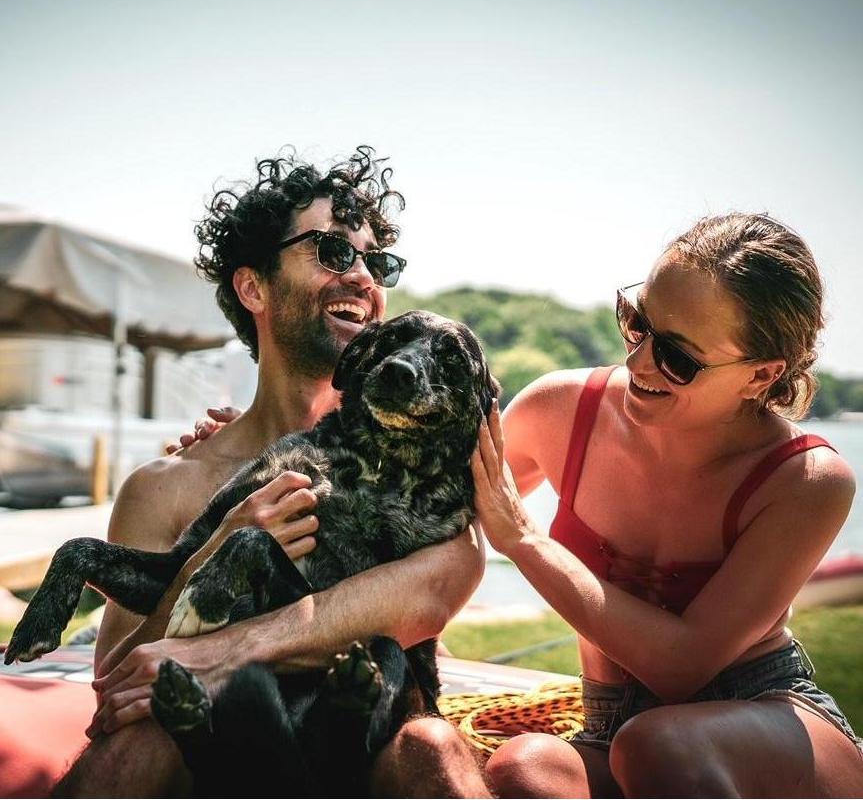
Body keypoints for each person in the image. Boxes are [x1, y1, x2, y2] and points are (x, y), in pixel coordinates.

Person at [55, 147, 489, 798]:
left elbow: (438, 586)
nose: (364, 277)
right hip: (215, 758)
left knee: (431, 744)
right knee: (140, 739)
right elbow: (123, 685)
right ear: (253, 285)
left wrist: (220, 647)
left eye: (377, 262)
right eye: (334, 252)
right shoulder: (168, 484)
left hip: (365, 750)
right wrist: (214, 547)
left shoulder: (419, 463)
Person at [471, 212, 863, 798]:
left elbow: (681, 669)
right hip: (611, 728)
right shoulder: (559, 410)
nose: (637, 363)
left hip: (766, 717)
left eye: (678, 358)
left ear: (761, 375)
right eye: (637, 323)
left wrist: (525, 541)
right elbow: (431, 515)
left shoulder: (806, 480)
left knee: (659, 745)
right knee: (523, 769)